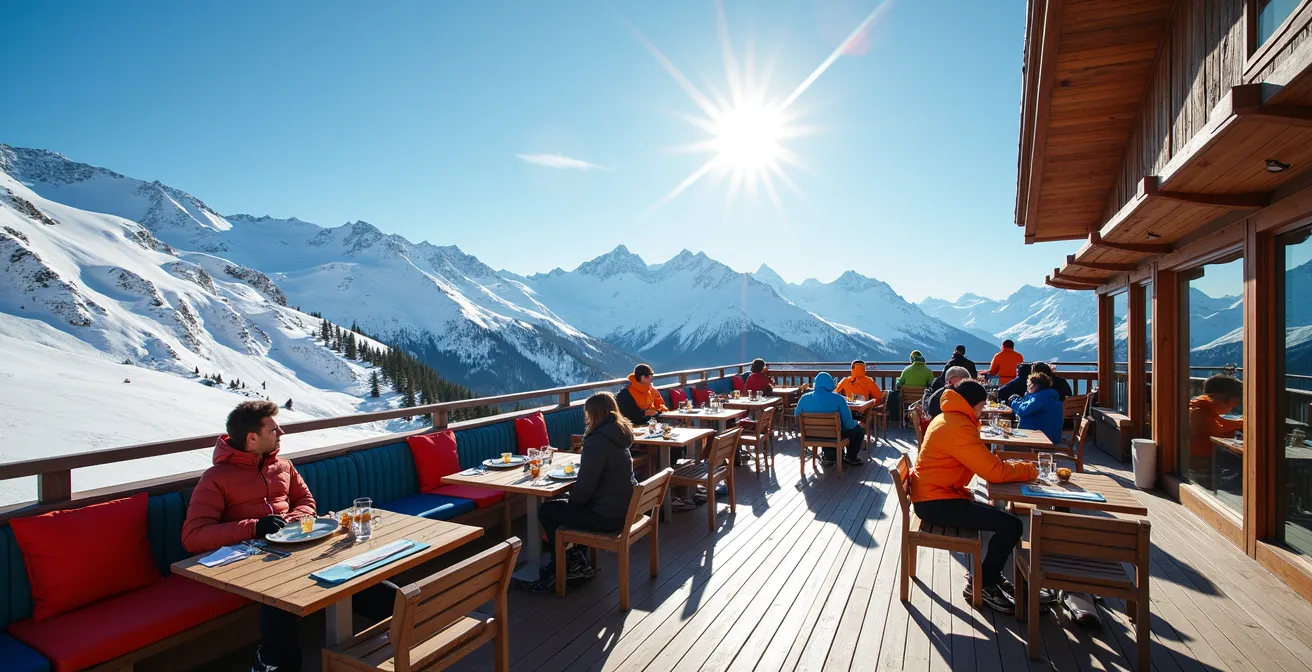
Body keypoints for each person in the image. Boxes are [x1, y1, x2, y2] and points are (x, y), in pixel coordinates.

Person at [182, 401, 317, 672]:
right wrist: (255, 527)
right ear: (252, 437)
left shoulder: (283, 466)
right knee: (278, 595)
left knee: (351, 571)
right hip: (249, 561)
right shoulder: (215, 478)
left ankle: (407, 627)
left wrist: (288, 521)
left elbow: (307, 502)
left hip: (292, 547)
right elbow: (193, 536)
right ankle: (272, 661)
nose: (281, 434)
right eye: (274, 430)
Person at [910, 381, 1038, 613]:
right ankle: (985, 583)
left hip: (935, 494)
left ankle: (990, 576)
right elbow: (994, 472)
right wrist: (1030, 469)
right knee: (1011, 525)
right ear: (975, 405)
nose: (982, 410)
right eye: (982, 406)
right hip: (936, 502)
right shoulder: (959, 427)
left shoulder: (946, 417)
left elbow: (987, 466)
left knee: (1003, 518)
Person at [534, 392, 638, 592]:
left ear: (594, 414)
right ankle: (576, 558)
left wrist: (571, 500)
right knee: (566, 506)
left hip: (608, 517)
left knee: (547, 511)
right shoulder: (618, 434)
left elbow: (585, 488)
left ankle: (564, 565)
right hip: (624, 509)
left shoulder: (597, 441)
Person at [794, 372, 865, 466]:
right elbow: (848, 424)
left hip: (811, 434)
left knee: (827, 430)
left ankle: (829, 456)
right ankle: (851, 458)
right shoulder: (838, 399)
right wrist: (856, 422)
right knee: (858, 431)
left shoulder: (804, 398)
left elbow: (796, 414)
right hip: (833, 434)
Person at [1187, 375, 1244, 489]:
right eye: (1231, 404)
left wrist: (1243, 422)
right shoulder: (1199, 412)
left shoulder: (1202, 407)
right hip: (1201, 465)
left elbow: (1221, 422)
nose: (1231, 409)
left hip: (1203, 459)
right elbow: (1219, 432)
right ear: (1216, 397)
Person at [1008, 372, 1064, 443]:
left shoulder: (1041, 398)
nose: (1028, 387)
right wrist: (1026, 396)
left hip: (1044, 437)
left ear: (1037, 385)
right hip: (1048, 434)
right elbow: (1026, 404)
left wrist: (1013, 401)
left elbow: (1022, 411)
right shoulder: (1047, 395)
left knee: (1007, 436)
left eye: (1030, 384)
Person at [889, 350, 936, 414]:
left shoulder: (906, 370)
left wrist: (898, 381)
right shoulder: (928, 372)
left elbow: (898, 384)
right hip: (922, 400)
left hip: (907, 400)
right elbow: (932, 385)